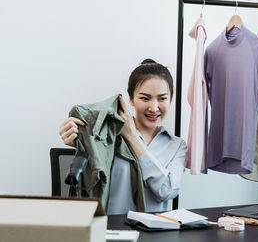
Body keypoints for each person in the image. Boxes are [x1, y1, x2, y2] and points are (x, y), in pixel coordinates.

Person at [59, 59, 187, 214]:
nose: (154, 108)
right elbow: (92, 176)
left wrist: (132, 137)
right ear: (131, 99)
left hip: (154, 236)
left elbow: (166, 191)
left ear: (171, 99)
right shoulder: (108, 134)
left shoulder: (178, 146)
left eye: (162, 98)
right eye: (145, 98)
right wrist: (81, 142)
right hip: (110, 232)